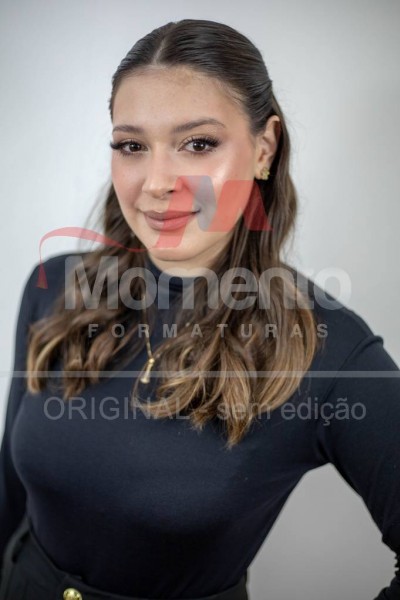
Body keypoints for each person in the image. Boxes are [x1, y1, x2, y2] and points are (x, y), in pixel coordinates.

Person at [0, 17, 399, 600]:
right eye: (132, 146)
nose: (157, 182)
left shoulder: (330, 352)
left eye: (198, 144)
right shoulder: (55, 286)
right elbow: (10, 490)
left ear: (264, 148)